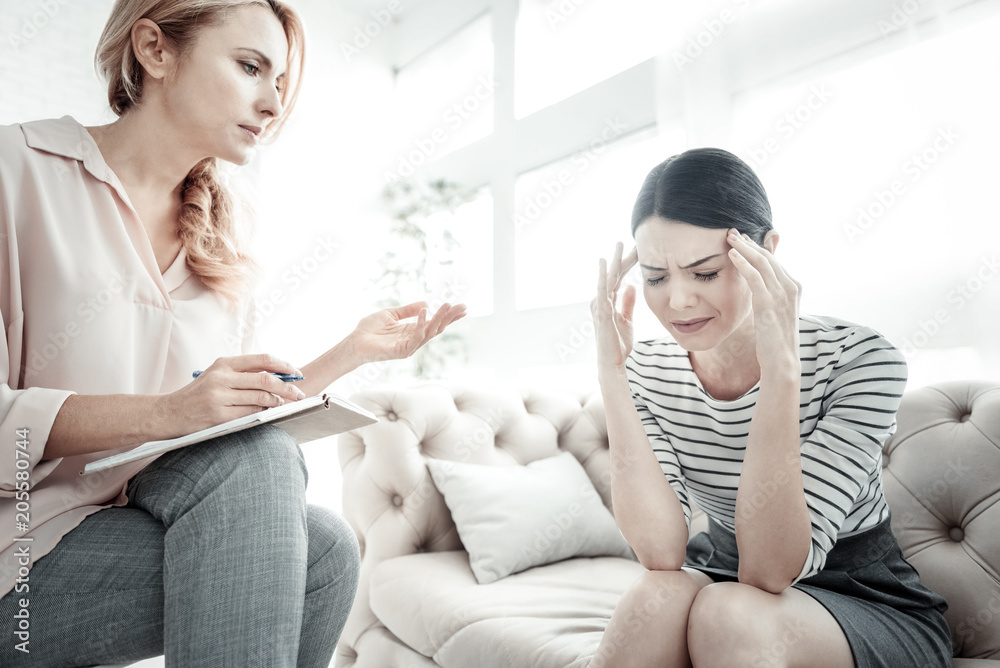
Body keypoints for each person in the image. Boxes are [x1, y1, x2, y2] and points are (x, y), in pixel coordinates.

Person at [0, 0, 465, 665]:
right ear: (155, 50)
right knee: (308, 540)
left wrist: (351, 352)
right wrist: (165, 414)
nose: (274, 104)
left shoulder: (217, 242)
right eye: (251, 67)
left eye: (279, 82)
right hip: (16, 549)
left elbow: (213, 429)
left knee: (327, 549)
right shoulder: (15, 170)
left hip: (121, 522)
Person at [588, 148, 952, 667]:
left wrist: (781, 370)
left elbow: (769, 569)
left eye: (706, 273)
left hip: (862, 599)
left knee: (729, 613)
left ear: (767, 251)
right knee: (656, 598)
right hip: (724, 578)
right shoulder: (647, 368)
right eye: (655, 277)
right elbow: (661, 555)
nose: (679, 302)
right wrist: (611, 375)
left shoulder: (860, 358)